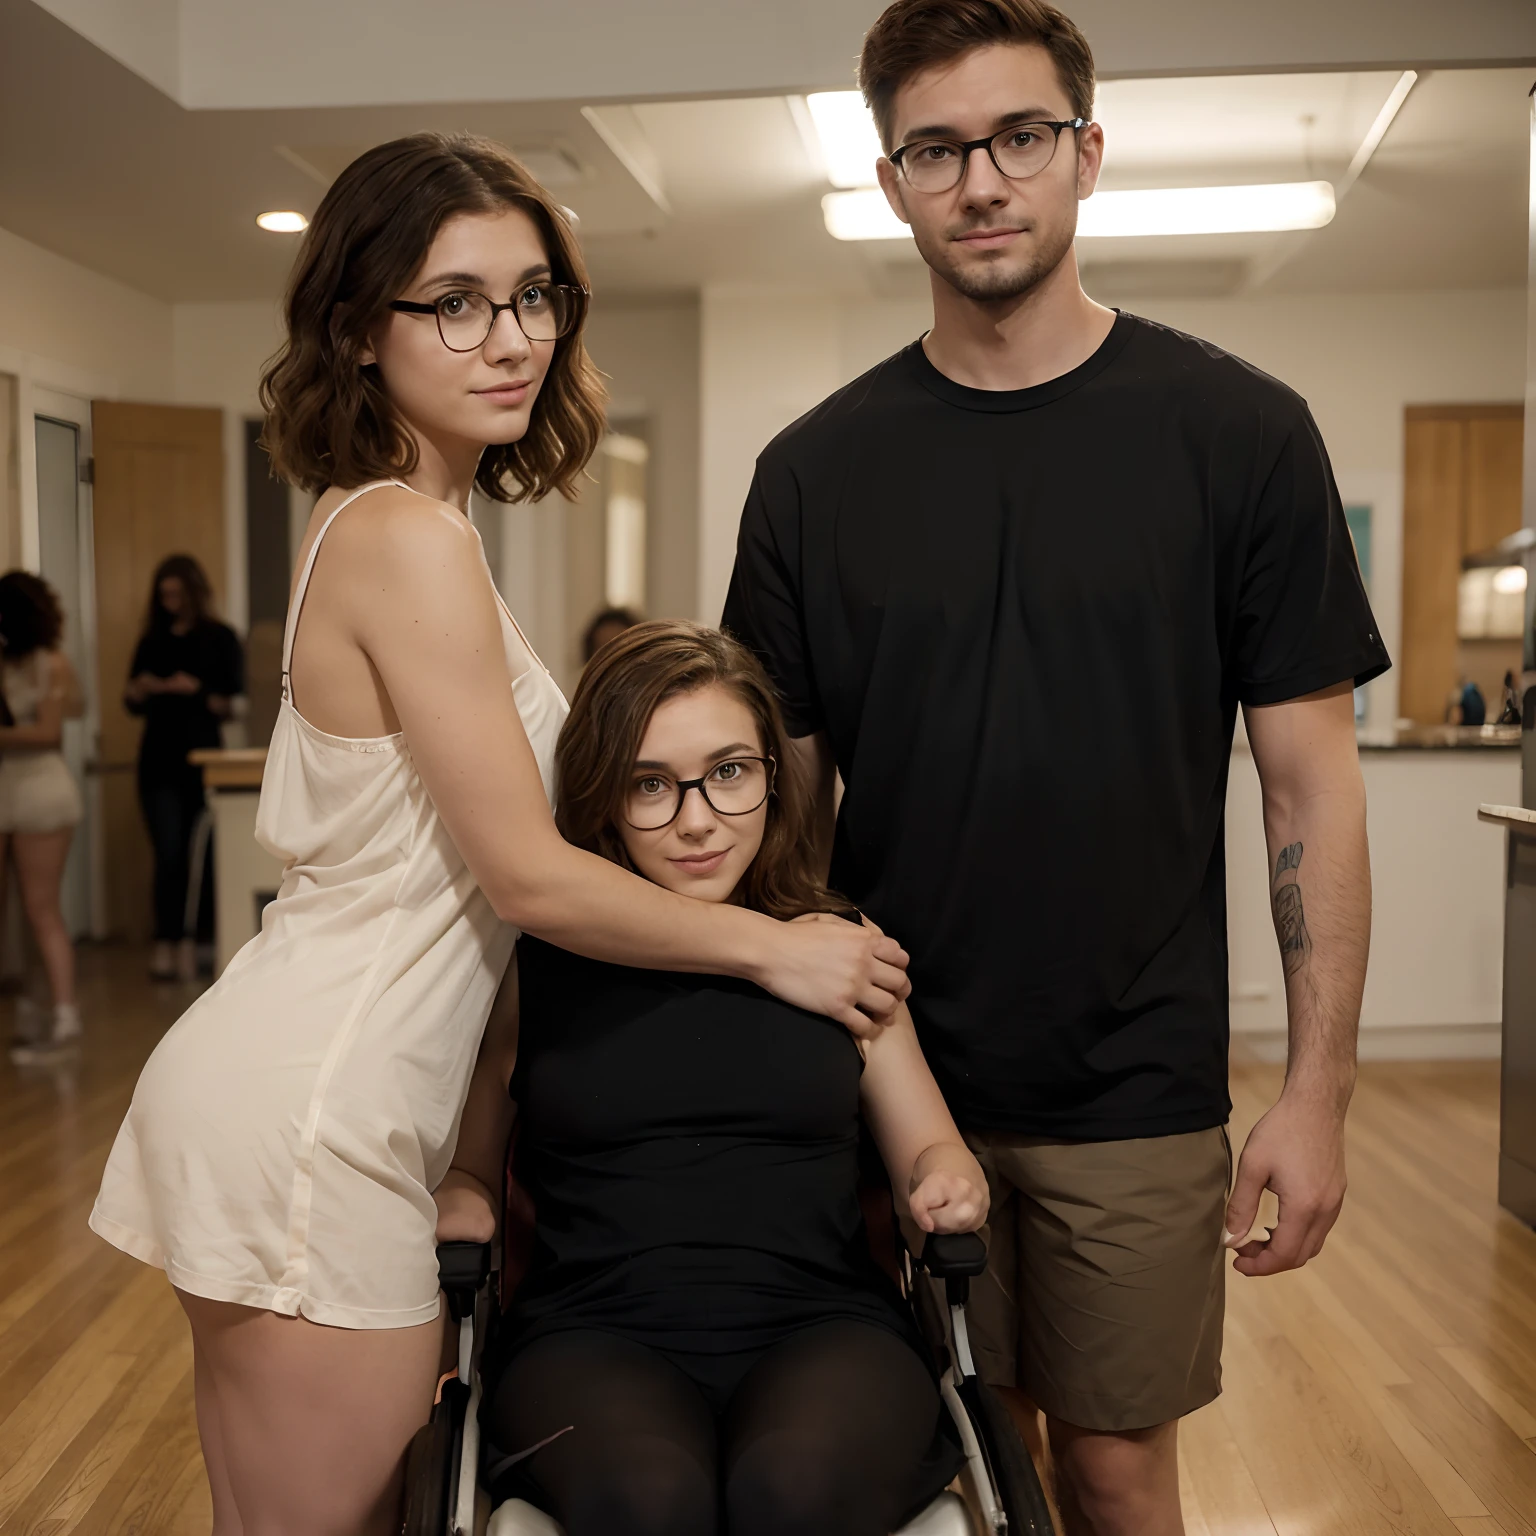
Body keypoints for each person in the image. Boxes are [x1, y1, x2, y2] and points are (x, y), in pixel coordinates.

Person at [90, 134, 909, 1536]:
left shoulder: (412, 526)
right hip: (317, 1111)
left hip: (315, 1084)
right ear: (359, 328)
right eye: (453, 301)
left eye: (533, 297)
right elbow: (527, 873)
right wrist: (781, 955)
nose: (509, 336)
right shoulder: (404, 537)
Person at [721, 4, 1388, 1533]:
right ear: (892, 180)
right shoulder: (813, 475)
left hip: (1134, 1078)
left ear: (1088, 154)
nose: (984, 180)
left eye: (1021, 137)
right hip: (892, 1071)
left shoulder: (1238, 435)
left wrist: (1318, 1093)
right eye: (939, 148)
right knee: (963, 1461)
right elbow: (783, 821)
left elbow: (1309, 790)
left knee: (1110, 1470)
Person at [438, 621, 987, 1536]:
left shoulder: (838, 950)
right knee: (653, 1502)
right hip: (591, 1336)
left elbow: (931, 1142)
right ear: (602, 798)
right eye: (650, 784)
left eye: (729, 772)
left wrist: (947, 1179)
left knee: (793, 1493)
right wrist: (462, 1196)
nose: (697, 819)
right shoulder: (539, 963)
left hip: (825, 1328)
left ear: (775, 772)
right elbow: (470, 1166)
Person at [124, 555, 244, 981]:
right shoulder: (151, 640)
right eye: (164, 595)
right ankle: (166, 943)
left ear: (193, 592)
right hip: (157, 761)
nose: (170, 602)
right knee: (168, 854)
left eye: (177, 593)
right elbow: (130, 701)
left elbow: (233, 705)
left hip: (203, 759)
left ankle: (201, 942)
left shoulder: (220, 638)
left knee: (207, 857)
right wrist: (143, 688)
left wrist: (196, 690)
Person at [0, 571, 85, 1063]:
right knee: (19, 913)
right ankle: (29, 1009)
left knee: (41, 908)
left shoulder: (51, 664)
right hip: (9, 790)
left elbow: (48, 734)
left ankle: (65, 1015)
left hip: (41, 792)